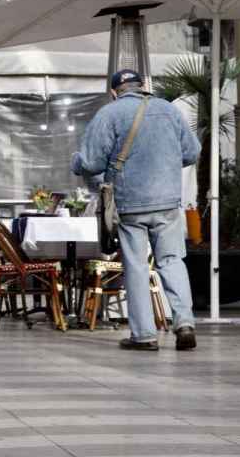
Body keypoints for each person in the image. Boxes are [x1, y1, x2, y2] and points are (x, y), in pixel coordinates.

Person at [72, 69, 200, 352]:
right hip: (167, 203)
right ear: (143, 87)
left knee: (137, 266)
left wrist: (76, 162)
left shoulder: (109, 114)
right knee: (172, 261)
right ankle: (185, 323)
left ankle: (144, 335)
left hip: (131, 204)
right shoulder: (169, 110)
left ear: (115, 91)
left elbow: (92, 163)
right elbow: (191, 152)